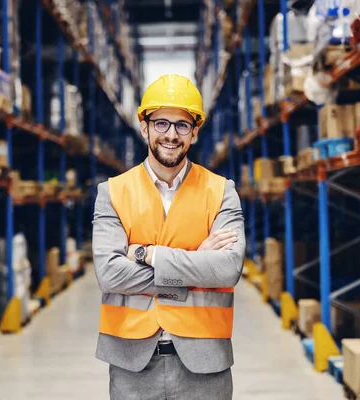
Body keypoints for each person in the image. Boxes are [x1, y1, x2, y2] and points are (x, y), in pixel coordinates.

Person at [92, 74, 246, 400]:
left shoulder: (221, 192)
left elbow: (227, 269)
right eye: (161, 123)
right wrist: (195, 263)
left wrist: (147, 254)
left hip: (205, 363)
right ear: (144, 127)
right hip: (131, 363)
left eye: (182, 125)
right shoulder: (113, 192)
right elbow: (109, 274)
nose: (171, 135)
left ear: (195, 132)